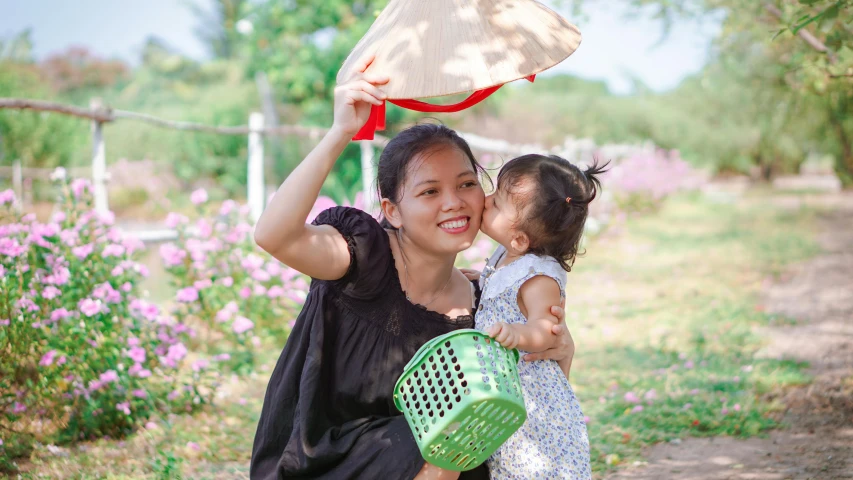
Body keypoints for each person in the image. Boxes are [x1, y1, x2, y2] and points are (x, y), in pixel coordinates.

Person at [249, 56, 576, 480]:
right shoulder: (361, 257)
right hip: (327, 461)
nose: (454, 202)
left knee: (471, 435)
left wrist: (560, 352)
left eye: (466, 184)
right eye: (429, 191)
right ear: (393, 210)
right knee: (438, 437)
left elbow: (532, 411)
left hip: (434, 462)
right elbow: (274, 236)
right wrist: (340, 132)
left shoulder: (484, 306)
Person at [474, 154, 606, 478]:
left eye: (495, 203)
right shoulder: (506, 254)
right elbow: (498, 290)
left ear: (519, 238)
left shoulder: (539, 276)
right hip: (508, 395)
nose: (484, 201)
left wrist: (519, 334)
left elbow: (548, 330)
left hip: (533, 404)